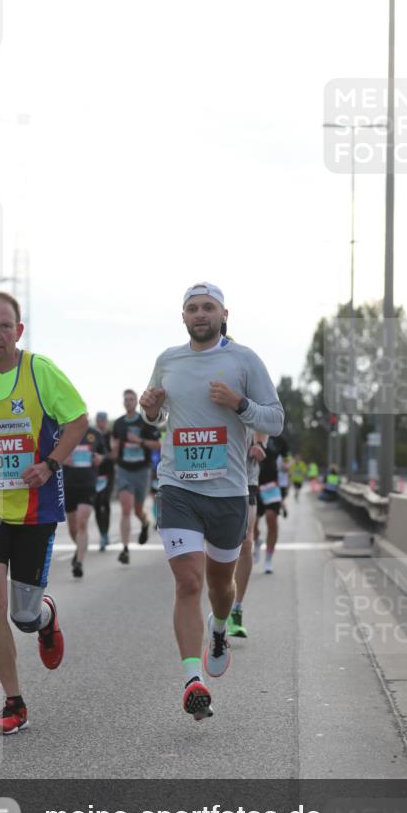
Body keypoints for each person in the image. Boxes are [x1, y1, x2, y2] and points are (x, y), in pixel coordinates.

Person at [0, 291, 88, 735]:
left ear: (19, 331)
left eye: (5, 326)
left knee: (22, 617)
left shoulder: (39, 371)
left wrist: (49, 464)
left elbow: (78, 420)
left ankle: (44, 617)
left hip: (35, 507)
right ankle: (14, 702)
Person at [139, 282, 284, 720]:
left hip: (228, 492)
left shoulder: (244, 360)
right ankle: (191, 678)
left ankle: (219, 627)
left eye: (208, 307)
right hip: (178, 487)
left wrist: (239, 405)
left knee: (221, 587)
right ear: (182, 317)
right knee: (188, 583)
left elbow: (275, 420)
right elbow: (157, 416)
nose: (199, 314)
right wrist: (149, 409)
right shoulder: (168, 360)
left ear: (224, 314)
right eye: (191, 308)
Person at [111, 389, 161, 565]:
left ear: (136, 402)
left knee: (138, 509)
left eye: (132, 399)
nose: (129, 402)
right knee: (126, 508)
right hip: (124, 469)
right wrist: (113, 450)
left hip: (142, 470)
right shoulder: (118, 424)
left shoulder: (145, 422)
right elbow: (115, 447)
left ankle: (145, 522)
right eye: (126, 399)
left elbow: (157, 445)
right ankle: (125, 549)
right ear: (123, 402)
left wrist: (139, 441)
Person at [227, 432, 267, 639]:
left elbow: (267, 414)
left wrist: (260, 443)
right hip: (210, 472)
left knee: (245, 542)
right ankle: (219, 601)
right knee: (215, 543)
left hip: (245, 474)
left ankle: (236, 609)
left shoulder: (252, 397)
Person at [63, 423, 107, 577]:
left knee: (82, 523)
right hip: (68, 484)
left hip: (88, 484)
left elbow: (104, 454)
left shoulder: (95, 433)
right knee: (72, 527)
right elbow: (50, 454)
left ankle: (79, 563)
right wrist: (62, 459)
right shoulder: (63, 432)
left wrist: (100, 458)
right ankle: (79, 548)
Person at [254, 434, 290, 574]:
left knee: (271, 519)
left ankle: (268, 559)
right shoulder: (250, 431)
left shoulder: (279, 439)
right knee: (252, 525)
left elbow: (287, 459)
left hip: (272, 487)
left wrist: (286, 465)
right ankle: (256, 541)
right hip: (253, 486)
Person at [93, 411, 114, 550]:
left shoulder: (110, 435)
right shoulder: (92, 435)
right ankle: (102, 534)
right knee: (96, 504)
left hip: (108, 473)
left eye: (103, 420)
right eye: (98, 420)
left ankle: (106, 533)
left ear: (106, 421)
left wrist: (103, 457)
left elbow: (114, 453)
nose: (101, 423)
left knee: (104, 502)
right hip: (94, 474)